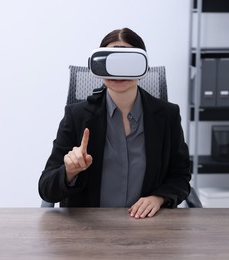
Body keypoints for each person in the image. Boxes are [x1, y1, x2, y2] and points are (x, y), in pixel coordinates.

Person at [38, 27, 191, 219]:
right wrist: (69, 172)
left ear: (142, 66)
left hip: (148, 228)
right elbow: (46, 189)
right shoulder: (76, 116)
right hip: (88, 231)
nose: (119, 73)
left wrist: (159, 198)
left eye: (127, 63)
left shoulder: (168, 115)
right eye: (112, 63)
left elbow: (181, 176)